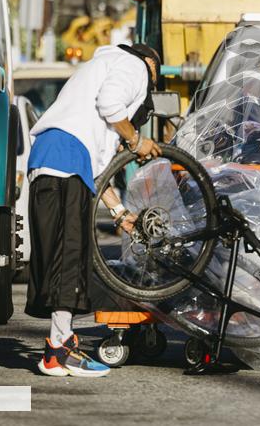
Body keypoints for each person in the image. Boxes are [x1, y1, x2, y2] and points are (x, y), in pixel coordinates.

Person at [27, 43, 162, 377]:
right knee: (69, 254)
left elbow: (99, 172)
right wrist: (135, 141)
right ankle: (59, 351)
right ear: (151, 64)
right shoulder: (135, 66)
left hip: (55, 160)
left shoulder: (100, 69)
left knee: (65, 255)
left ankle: (59, 346)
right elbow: (112, 104)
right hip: (65, 160)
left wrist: (120, 214)